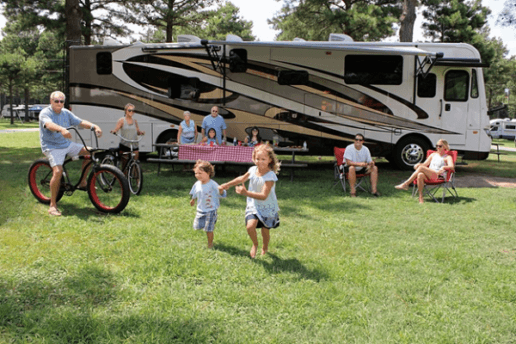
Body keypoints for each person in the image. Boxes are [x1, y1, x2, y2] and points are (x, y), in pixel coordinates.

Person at [38, 91, 103, 216]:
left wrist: (94, 126)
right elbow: (49, 124)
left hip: (67, 144)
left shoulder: (66, 113)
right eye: (56, 101)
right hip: (52, 147)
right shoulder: (45, 113)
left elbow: (80, 122)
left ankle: (83, 182)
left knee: (90, 152)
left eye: (62, 101)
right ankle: (52, 205)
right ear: (51, 101)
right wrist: (61, 129)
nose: (59, 103)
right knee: (57, 172)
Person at [219, 144, 280, 258]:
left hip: (267, 207)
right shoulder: (253, 170)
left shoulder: (270, 176)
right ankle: (255, 244)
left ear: (269, 160)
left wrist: (246, 193)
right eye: (257, 159)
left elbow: (263, 196)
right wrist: (227, 185)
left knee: (265, 230)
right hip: (253, 205)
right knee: (250, 226)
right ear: (253, 158)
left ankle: (265, 247)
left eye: (263, 159)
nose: (260, 162)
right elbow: (241, 179)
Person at [395, 139, 454, 204]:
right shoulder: (433, 155)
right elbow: (424, 165)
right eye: (437, 146)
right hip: (429, 175)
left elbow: (452, 167)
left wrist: (444, 167)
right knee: (420, 174)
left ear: (445, 146)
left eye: (440, 146)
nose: (438, 147)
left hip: (438, 176)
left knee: (421, 168)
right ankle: (420, 197)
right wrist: (418, 164)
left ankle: (406, 184)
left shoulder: (448, 157)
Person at [190, 160, 227, 249]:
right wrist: (193, 200)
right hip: (200, 209)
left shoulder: (213, 184)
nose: (198, 175)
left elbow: (221, 193)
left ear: (209, 173)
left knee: (208, 229)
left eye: (200, 173)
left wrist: (221, 190)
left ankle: (210, 244)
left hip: (211, 210)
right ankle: (207, 233)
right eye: (196, 173)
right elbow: (195, 192)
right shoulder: (197, 184)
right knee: (197, 226)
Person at [109, 103, 145, 170]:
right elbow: (116, 129)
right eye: (129, 110)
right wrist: (114, 131)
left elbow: (137, 131)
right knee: (124, 165)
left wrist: (141, 132)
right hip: (125, 144)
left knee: (135, 162)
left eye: (133, 110)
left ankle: (137, 179)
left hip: (134, 144)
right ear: (125, 110)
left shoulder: (135, 121)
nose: (131, 112)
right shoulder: (122, 120)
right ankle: (124, 178)